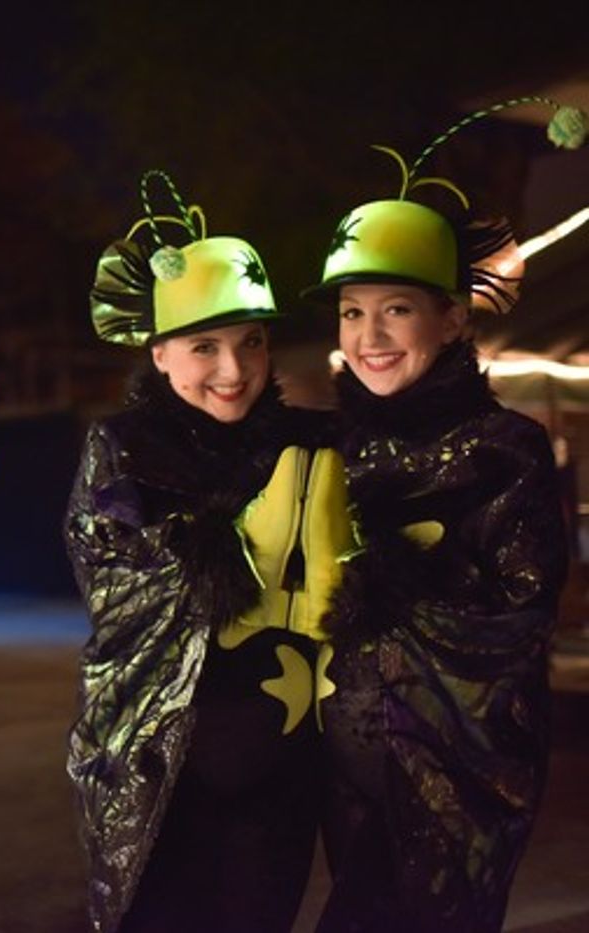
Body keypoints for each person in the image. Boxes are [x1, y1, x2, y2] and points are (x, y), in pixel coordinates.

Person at [305, 100, 581, 932]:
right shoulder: (325, 451)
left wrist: (383, 581)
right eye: (353, 311)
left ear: (453, 316)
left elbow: (518, 614)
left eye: (396, 308)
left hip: (462, 782)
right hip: (342, 773)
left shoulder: (509, 448)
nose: (369, 334)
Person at [63, 171, 350, 933]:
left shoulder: (311, 440)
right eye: (205, 346)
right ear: (159, 354)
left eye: (251, 341)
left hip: (282, 783)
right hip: (164, 786)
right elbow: (124, 598)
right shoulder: (121, 451)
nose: (233, 370)